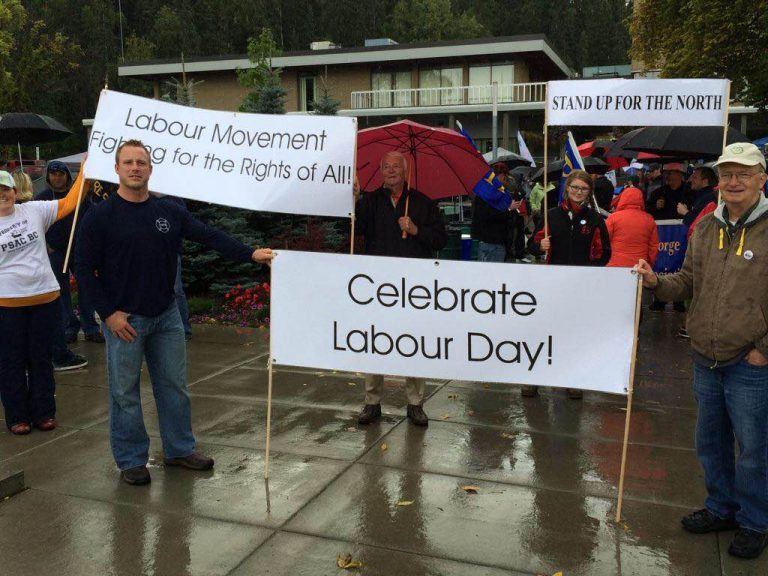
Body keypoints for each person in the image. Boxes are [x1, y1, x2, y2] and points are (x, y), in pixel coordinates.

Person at [75, 139, 273, 486]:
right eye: (129, 162)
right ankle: (132, 460)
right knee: (124, 393)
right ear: (117, 169)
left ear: (151, 169)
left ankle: (179, 449)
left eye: (141, 162)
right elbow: (83, 268)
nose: (135, 168)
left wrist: (250, 253)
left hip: (166, 315)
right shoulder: (100, 217)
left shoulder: (168, 212)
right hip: (125, 322)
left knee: (174, 387)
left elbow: (209, 235)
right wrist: (108, 315)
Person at [634, 142, 768, 559]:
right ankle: (721, 508)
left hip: (751, 360)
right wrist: (656, 282)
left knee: (753, 448)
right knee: (710, 442)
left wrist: (763, 349)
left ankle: (754, 521)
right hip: (705, 357)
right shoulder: (706, 227)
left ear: (762, 180)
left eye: (743, 174)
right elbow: (687, 281)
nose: (732, 182)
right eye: (726, 174)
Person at [353, 151, 447, 427]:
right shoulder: (370, 201)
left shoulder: (423, 204)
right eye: (386, 167)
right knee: (375, 340)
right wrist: (354, 199)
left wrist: (416, 229)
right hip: (378, 284)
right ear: (381, 171)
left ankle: (415, 402)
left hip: (413, 285)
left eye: (396, 167)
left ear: (406, 172)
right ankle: (372, 402)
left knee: (413, 341)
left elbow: (440, 238)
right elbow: (356, 229)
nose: (391, 171)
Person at [0, 167, 88, 435]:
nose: (2, 195)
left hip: (45, 298)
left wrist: (86, 168)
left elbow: (72, 201)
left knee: (41, 358)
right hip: (7, 304)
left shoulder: (35, 210)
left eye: (5, 189)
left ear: (14, 192)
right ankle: (17, 416)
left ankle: (44, 413)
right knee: (11, 361)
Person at [526, 170, 611, 399]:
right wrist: (539, 245)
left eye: (583, 188)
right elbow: (532, 244)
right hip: (552, 282)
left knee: (574, 333)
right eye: (575, 187)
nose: (578, 192)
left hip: (579, 286)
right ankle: (535, 378)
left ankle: (573, 378)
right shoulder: (550, 215)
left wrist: (589, 273)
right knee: (545, 330)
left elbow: (604, 252)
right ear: (567, 188)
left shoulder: (595, 219)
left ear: (588, 192)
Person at [34, 161, 103, 367]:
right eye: (53, 174)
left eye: (61, 173)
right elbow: (35, 226)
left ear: (67, 176)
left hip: (79, 251)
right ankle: (69, 327)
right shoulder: (42, 199)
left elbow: (93, 221)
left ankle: (90, 327)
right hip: (55, 251)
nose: (57, 177)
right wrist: (46, 245)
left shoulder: (80, 196)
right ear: (48, 177)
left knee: (86, 288)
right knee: (61, 290)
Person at [647, 162, 688, 312]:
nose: (667, 176)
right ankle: (659, 299)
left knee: (680, 265)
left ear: (679, 174)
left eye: (671, 173)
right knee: (661, 265)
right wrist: (654, 207)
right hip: (663, 236)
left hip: (682, 236)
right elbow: (647, 210)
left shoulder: (688, 191)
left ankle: (679, 300)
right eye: (666, 173)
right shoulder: (659, 192)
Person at [471, 162, 522, 262]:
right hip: (493, 241)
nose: (505, 180)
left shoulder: (484, 191)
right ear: (501, 175)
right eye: (505, 176)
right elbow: (488, 216)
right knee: (493, 275)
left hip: (487, 240)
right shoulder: (490, 193)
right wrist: (508, 209)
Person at [605, 186, 658, 268]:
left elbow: (604, 241)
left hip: (615, 265)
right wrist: (649, 264)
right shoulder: (649, 219)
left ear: (623, 198)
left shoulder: (613, 217)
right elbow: (653, 247)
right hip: (639, 267)